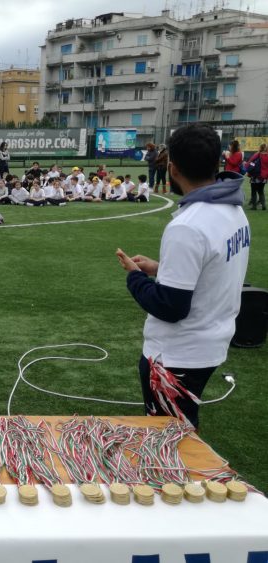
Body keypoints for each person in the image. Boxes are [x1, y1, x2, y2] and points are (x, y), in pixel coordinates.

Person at [116, 123, 250, 428]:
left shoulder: (187, 226)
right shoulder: (233, 209)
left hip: (177, 355)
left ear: (173, 169)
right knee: (181, 426)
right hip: (210, 343)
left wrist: (135, 277)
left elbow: (170, 306)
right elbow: (213, 268)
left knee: (169, 435)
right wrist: (162, 268)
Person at [246, 143, 268, 210]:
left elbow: (250, 161)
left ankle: (254, 206)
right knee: (261, 191)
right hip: (264, 176)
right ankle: (263, 206)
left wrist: (247, 167)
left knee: (254, 191)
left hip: (256, 175)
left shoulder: (258, 154)